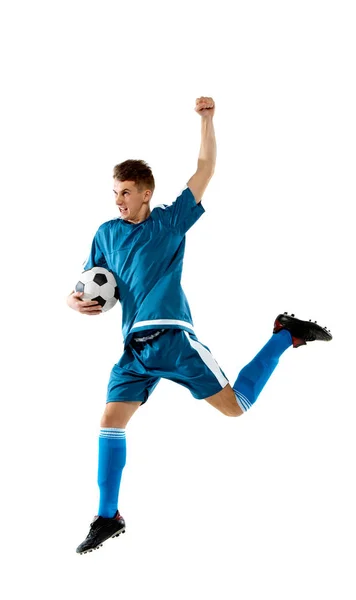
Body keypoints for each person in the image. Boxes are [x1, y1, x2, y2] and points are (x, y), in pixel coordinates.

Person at [67, 96, 332, 555]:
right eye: (114, 193)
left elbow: (205, 169)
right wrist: (73, 303)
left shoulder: (169, 223)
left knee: (236, 406)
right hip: (134, 350)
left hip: (172, 339)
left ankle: (284, 334)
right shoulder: (105, 233)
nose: (119, 200)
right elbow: (86, 286)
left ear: (146, 192)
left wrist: (207, 121)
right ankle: (108, 517)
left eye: (126, 192)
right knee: (110, 422)